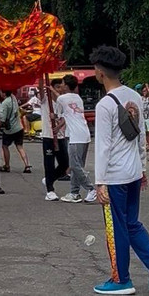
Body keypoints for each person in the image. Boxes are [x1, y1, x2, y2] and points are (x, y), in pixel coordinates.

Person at [90, 46, 149, 294]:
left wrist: (99, 181)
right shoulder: (133, 97)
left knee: (116, 228)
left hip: (114, 176)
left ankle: (120, 279)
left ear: (100, 72)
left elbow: (103, 146)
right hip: (134, 172)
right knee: (131, 222)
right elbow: (139, 138)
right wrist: (143, 167)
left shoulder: (105, 104)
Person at [58, 75, 96, 203]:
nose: (60, 86)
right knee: (77, 165)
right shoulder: (78, 98)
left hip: (75, 136)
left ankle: (91, 189)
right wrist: (58, 127)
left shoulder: (61, 98)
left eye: (62, 83)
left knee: (75, 165)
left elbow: (58, 112)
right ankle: (74, 192)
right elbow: (66, 117)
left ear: (67, 86)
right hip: (84, 135)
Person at [40, 79, 69, 201]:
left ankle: (49, 179)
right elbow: (40, 87)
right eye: (57, 87)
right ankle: (50, 190)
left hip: (61, 136)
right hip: (48, 136)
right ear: (51, 88)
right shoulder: (45, 99)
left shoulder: (63, 101)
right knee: (49, 164)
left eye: (61, 87)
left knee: (64, 164)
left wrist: (58, 126)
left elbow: (66, 117)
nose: (60, 90)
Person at [0, 90, 31, 173]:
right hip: (19, 127)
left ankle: (7, 165)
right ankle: (27, 165)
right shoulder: (13, 98)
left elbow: (2, 119)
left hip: (9, 130)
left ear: (3, 93)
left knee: (5, 146)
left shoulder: (4, 103)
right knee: (20, 146)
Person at [136, 83, 149, 151]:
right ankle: (148, 144)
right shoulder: (141, 98)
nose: (144, 92)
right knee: (146, 132)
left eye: (145, 91)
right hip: (143, 117)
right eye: (143, 91)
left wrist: (147, 88)